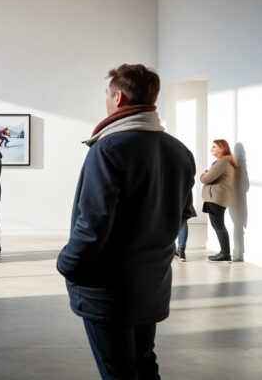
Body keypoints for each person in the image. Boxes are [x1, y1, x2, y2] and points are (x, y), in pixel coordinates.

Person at [57, 64, 196, 379]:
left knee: (118, 372)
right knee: (144, 366)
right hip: (152, 285)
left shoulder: (108, 149)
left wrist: (67, 263)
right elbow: (182, 214)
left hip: (108, 291)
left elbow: (92, 226)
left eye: (107, 94)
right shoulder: (179, 151)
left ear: (118, 97)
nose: (107, 100)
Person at [201, 139, 237, 263]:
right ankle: (224, 252)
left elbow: (206, 179)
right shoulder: (225, 162)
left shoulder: (222, 163)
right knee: (218, 225)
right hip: (217, 198)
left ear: (222, 148)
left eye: (214, 147)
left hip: (216, 199)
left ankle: (225, 254)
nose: (211, 149)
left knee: (218, 226)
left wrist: (203, 174)